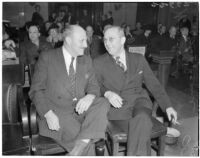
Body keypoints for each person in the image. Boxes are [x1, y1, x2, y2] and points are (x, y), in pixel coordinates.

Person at [93, 26, 178, 156]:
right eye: (105, 40)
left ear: (122, 40)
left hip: (139, 102)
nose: (107, 43)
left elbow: (154, 84)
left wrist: (168, 106)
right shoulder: (98, 62)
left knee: (142, 117)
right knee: (142, 124)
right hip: (117, 107)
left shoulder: (138, 59)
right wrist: (107, 93)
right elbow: (93, 87)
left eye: (111, 39)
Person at [29, 25, 109, 156]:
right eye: (81, 40)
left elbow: (94, 86)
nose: (85, 44)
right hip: (57, 113)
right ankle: (82, 145)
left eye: (86, 40)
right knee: (88, 145)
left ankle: (77, 149)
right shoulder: (47, 57)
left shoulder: (86, 59)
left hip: (81, 110)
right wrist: (48, 114)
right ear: (68, 40)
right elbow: (36, 90)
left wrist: (89, 97)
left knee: (103, 103)